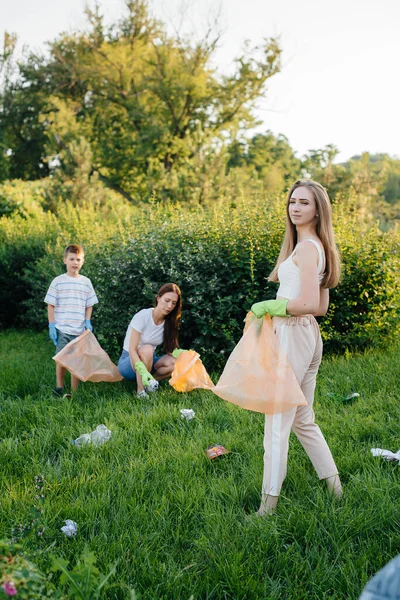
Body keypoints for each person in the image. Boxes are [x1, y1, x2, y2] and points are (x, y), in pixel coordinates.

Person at [251, 179, 343, 515]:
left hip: (293, 334)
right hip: (307, 334)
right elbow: (319, 308)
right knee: (303, 420)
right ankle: (336, 490)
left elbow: (307, 302)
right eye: (292, 201)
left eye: (304, 202)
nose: (295, 208)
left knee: (277, 424)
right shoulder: (315, 246)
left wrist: (270, 307)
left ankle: (267, 509)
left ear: (318, 209)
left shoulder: (307, 248)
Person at [44, 244, 98, 397]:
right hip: (62, 329)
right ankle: (59, 387)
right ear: (65, 260)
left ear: (82, 261)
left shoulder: (86, 282)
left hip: (79, 330)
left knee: (76, 362)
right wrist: (52, 325)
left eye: (78, 259)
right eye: (72, 259)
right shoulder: (58, 281)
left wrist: (87, 321)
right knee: (61, 359)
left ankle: (74, 391)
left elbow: (89, 305)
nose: (75, 262)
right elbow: (51, 305)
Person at [117, 283, 184, 398]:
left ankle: (151, 383)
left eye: (173, 303)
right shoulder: (143, 316)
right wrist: (141, 368)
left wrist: (185, 356)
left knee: (176, 363)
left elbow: (171, 349)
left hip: (149, 359)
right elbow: (132, 349)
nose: (169, 306)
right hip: (130, 361)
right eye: (166, 300)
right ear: (158, 298)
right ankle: (140, 392)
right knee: (148, 349)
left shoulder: (169, 322)